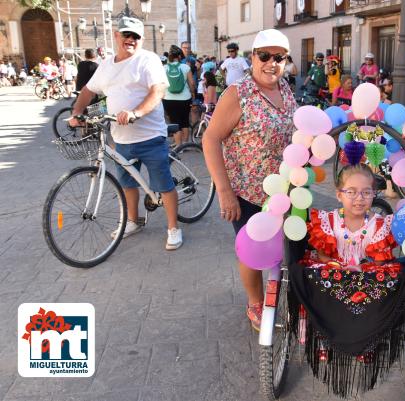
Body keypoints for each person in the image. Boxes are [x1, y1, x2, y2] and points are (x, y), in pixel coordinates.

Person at [203, 29, 296, 330]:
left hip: (286, 191)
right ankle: (256, 303)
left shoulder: (286, 90)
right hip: (247, 192)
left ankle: (286, 295)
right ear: (252, 57)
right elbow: (211, 139)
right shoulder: (238, 93)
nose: (272, 63)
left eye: (278, 57)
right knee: (252, 250)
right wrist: (225, 191)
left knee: (288, 247)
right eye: (265, 56)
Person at [69, 16, 183, 251]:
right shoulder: (107, 65)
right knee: (127, 183)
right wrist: (77, 112)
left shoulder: (147, 60)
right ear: (116, 36)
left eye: (135, 36)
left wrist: (136, 112)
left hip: (150, 136)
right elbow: (88, 90)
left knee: (163, 184)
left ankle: (173, 228)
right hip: (121, 138)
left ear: (140, 39)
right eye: (126, 35)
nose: (130, 39)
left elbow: (158, 90)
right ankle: (133, 220)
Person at [301, 164, 398, 270]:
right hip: (333, 276)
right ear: (339, 195)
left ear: (373, 193)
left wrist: (358, 268)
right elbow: (323, 255)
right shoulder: (328, 222)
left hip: (367, 278)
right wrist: (339, 268)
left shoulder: (379, 226)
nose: (359, 198)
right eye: (351, 192)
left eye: (366, 192)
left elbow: (379, 260)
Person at [163, 45, 196, 145]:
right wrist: (193, 94)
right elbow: (192, 83)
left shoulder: (164, 68)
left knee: (174, 122)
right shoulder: (186, 67)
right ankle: (185, 144)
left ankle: (178, 146)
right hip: (185, 98)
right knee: (185, 120)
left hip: (168, 98)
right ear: (179, 56)